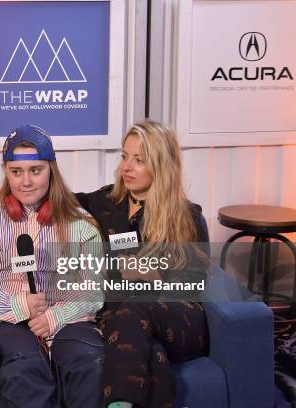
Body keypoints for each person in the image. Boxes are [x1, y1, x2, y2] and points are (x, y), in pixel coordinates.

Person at [76, 120, 210, 408]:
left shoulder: (187, 216)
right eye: (125, 156)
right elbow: (61, 200)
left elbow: (197, 283)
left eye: (139, 160)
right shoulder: (106, 202)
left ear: (161, 165)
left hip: (180, 318)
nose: (127, 167)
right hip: (127, 324)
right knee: (152, 357)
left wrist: (157, 276)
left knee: (135, 308)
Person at [0, 125, 105, 408]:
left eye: (36, 170)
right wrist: (21, 305)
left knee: (89, 363)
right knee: (25, 368)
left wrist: (54, 317)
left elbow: (93, 293)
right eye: (16, 172)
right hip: (9, 320)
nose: (26, 181)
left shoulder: (82, 224)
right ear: (6, 172)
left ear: (51, 169)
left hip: (68, 319)